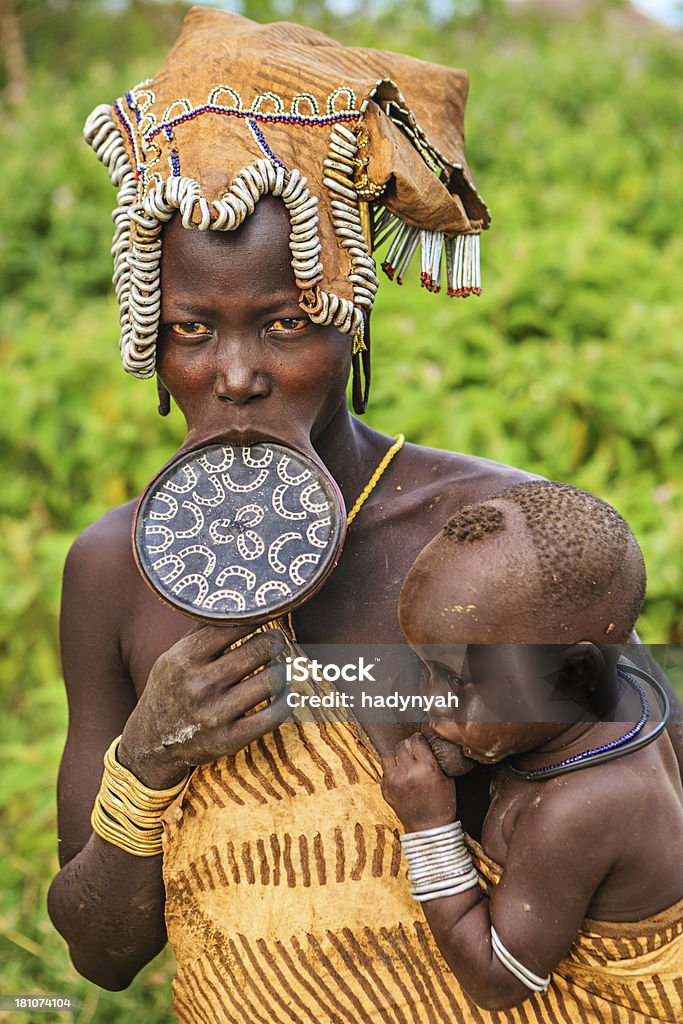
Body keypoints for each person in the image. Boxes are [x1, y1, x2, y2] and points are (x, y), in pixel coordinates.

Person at [47, 8, 683, 1022]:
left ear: (349, 317)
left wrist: (320, 679)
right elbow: (100, 954)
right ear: (149, 341)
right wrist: (153, 753)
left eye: (285, 321)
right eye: (190, 330)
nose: (238, 373)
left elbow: (639, 839)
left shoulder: (496, 537)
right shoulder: (114, 573)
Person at [382, 480, 683, 1021]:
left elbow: (498, 981)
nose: (431, 702)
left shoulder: (580, 809)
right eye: (427, 670)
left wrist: (428, 826)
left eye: (459, 682)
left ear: (576, 672)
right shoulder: (615, 689)